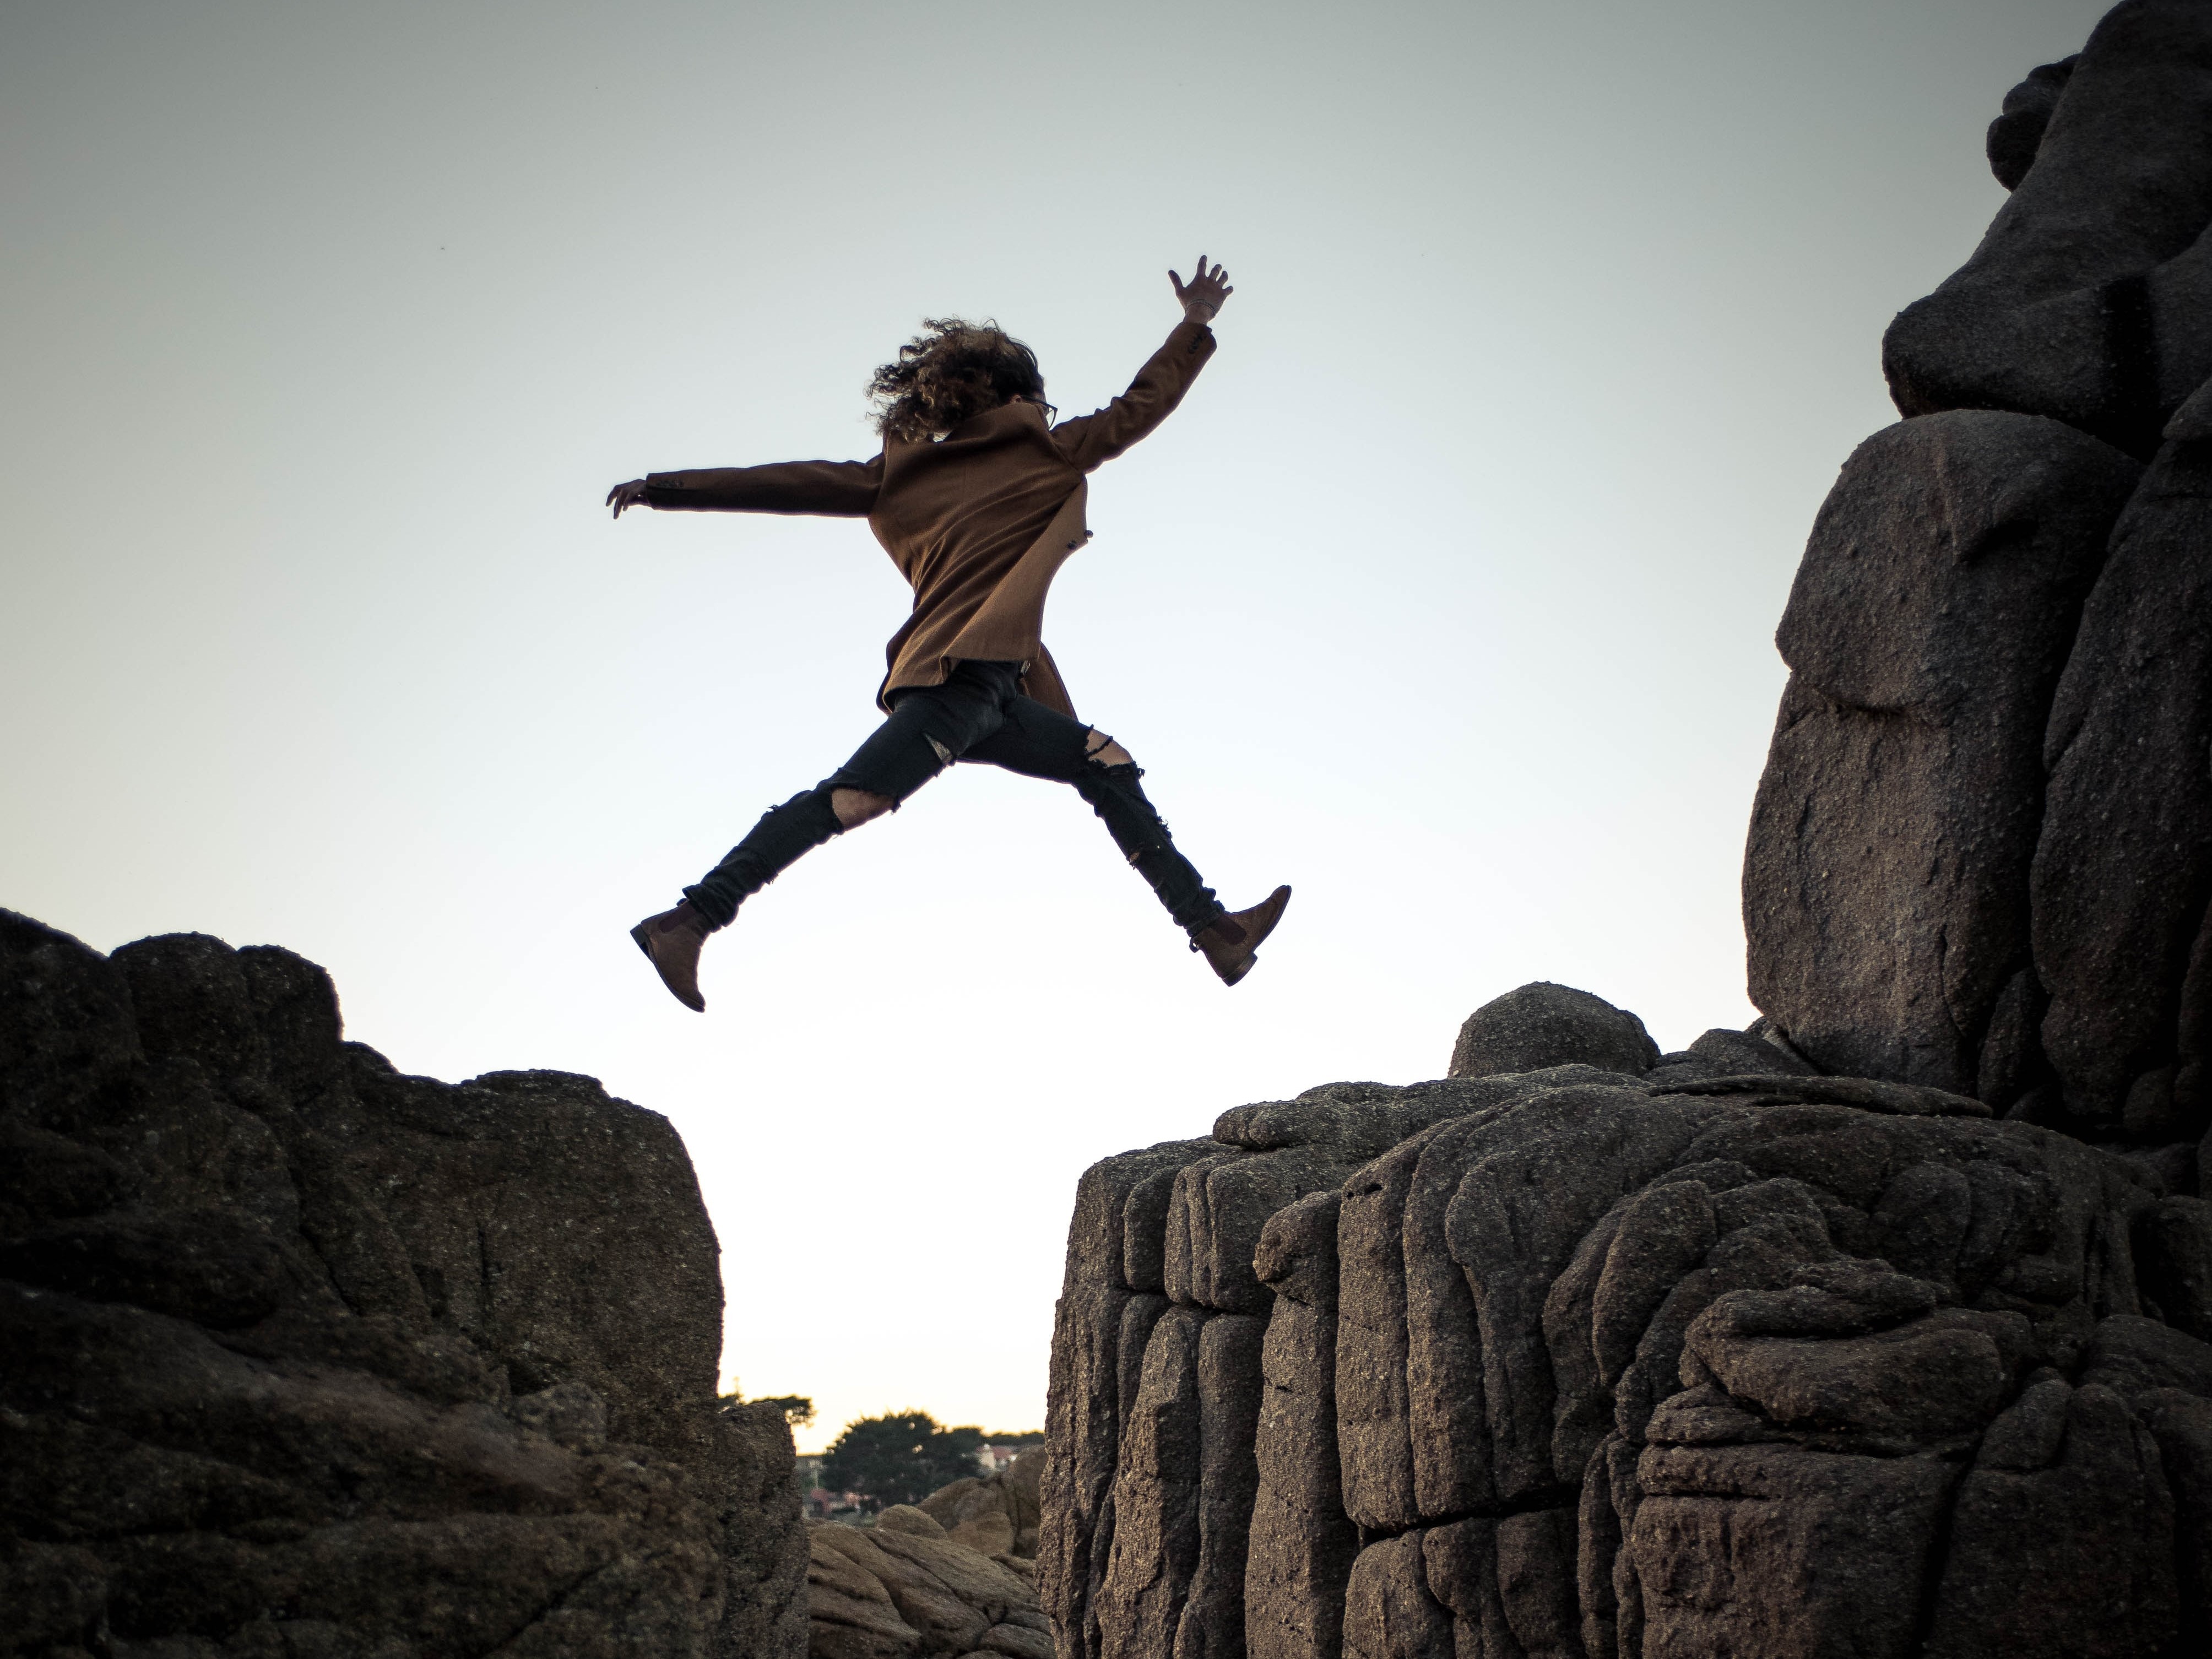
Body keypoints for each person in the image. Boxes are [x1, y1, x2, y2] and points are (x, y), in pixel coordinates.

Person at [608, 255, 1289, 1012]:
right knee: (853, 799)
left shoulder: (897, 476)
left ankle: (1215, 931)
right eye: (1038, 396)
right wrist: (1193, 325)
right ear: (1017, 396)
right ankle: (691, 919)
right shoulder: (1045, 450)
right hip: (954, 681)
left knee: (1104, 762)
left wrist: (665, 489)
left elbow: (783, 480)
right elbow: (1140, 406)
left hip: (998, 688)